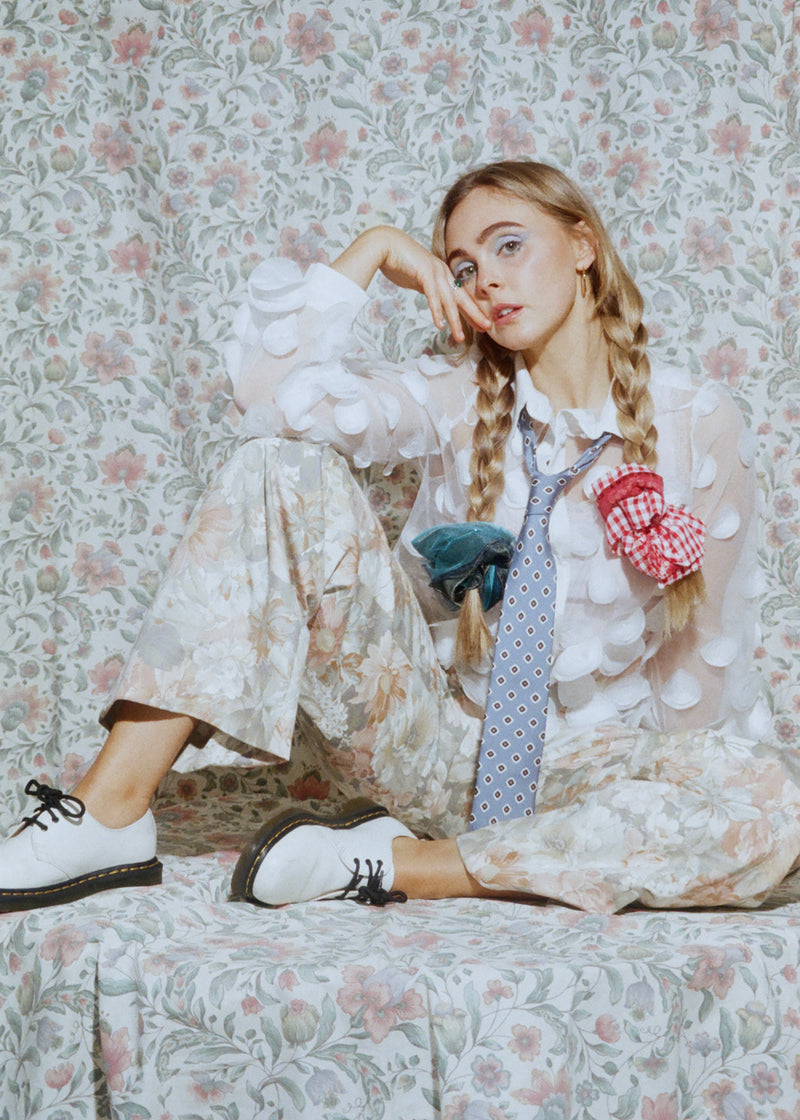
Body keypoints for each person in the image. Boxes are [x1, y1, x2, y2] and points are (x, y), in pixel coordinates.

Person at [2, 160, 797, 918]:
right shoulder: (452, 393)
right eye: (461, 265)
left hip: (584, 770)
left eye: (509, 244)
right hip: (429, 746)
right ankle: (107, 814)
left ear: (583, 245)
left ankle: (392, 865)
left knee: (773, 803)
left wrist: (688, 788)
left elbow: (702, 658)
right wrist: (376, 246)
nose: (484, 277)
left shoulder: (698, 421)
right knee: (282, 464)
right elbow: (267, 400)